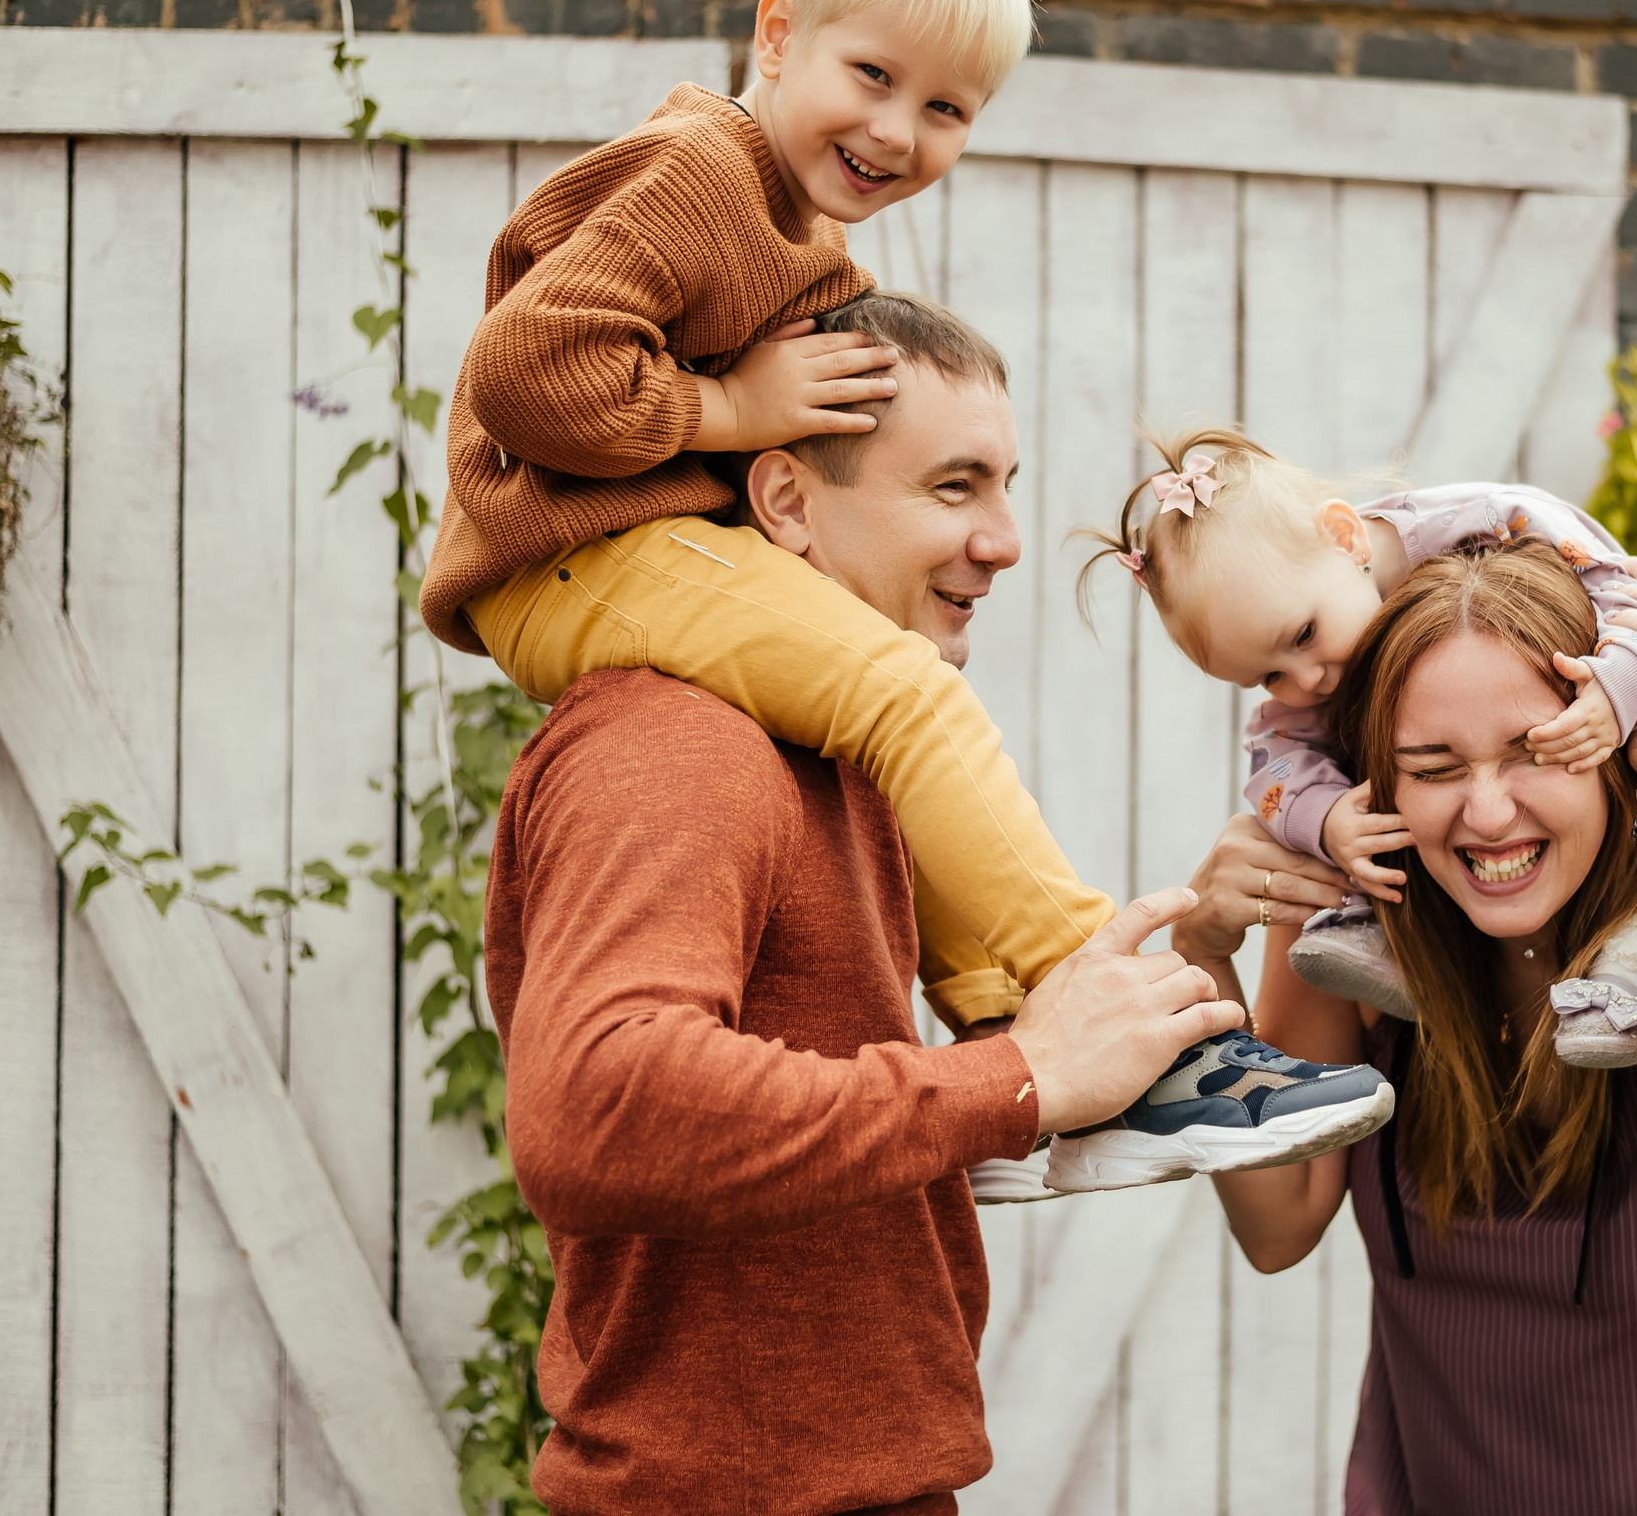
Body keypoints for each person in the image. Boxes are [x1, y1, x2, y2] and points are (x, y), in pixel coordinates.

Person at [420, 0, 1386, 1193]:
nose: (895, 129)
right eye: (872, 75)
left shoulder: (812, 243)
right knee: (903, 694)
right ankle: (1111, 1008)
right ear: (777, 34)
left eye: (945, 108)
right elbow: (519, 369)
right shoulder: (698, 172)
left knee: (881, 724)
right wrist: (728, 407)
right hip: (565, 553)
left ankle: (1010, 1039)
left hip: (630, 544)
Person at [485, 294, 1380, 1513]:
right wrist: (1014, 1079)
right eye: (953, 487)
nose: (1004, 540)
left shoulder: (827, 748)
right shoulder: (677, 746)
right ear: (786, 502)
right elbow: (597, 1107)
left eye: (1005, 487)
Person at [1192, 542, 1637, 1515]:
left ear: (1613, 741)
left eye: (1539, 750)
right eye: (1433, 768)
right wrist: (1205, 958)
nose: (1488, 810)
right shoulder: (1361, 936)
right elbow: (1277, 1221)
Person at [1080, 426, 1637, 1067]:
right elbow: (1274, 757)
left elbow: (1629, 599)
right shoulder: (1322, 664)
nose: (1308, 681)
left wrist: (1632, 708)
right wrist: (1320, 827)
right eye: (1432, 767)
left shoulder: (1485, 524)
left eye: (1531, 749)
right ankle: (1376, 933)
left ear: (1346, 537)